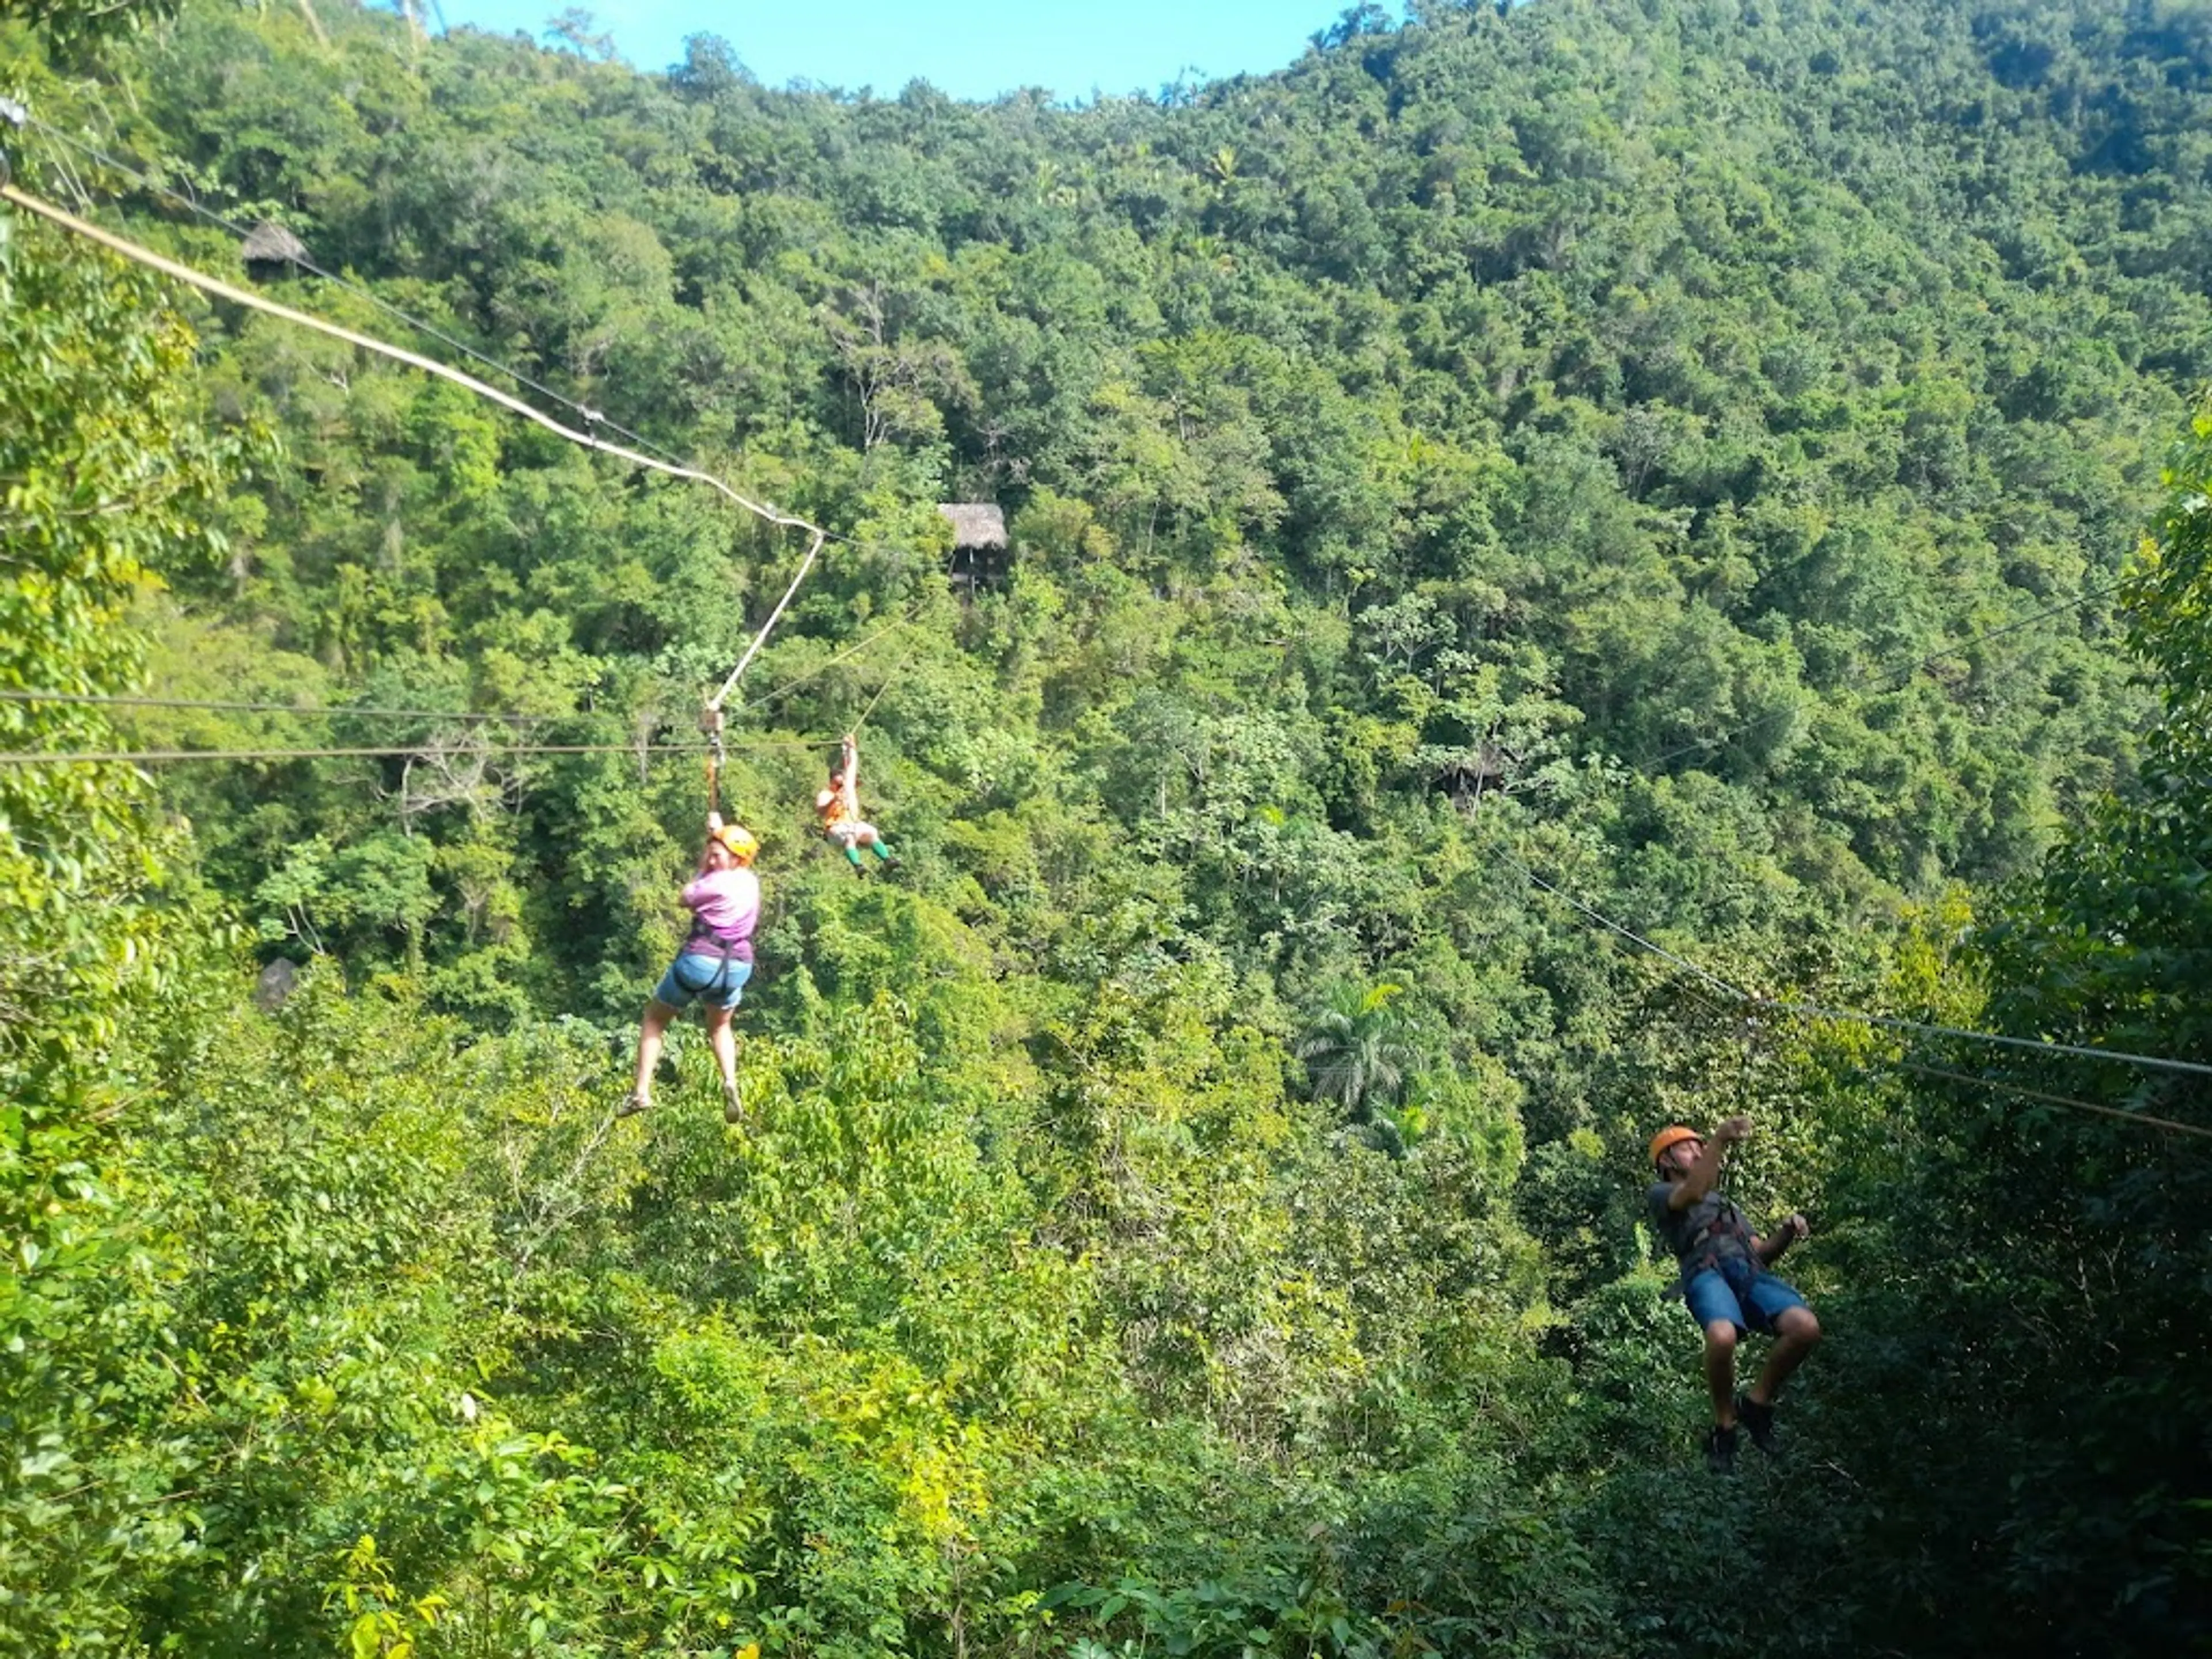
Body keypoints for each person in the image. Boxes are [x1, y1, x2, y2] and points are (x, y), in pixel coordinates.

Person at [1647, 1117, 1821, 1472]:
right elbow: (1693, 1192)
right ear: (1666, 1161)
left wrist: (1787, 1231)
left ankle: (1756, 1406)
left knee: (1805, 1328)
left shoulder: (1727, 1206)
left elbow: (1761, 1251)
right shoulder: (1662, 1193)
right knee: (1722, 1335)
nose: (1697, 1151)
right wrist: (1719, 1140)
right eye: (1688, 1147)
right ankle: (1725, 1426)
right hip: (1706, 1270)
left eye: (1700, 1146)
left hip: (1746, 1270)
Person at [621, 813, 759, 1124]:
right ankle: (730, 1080)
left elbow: (685, 898)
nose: (710, 860)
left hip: (700, 961)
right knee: (721, 1026)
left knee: (655, 1019)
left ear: (735, 859)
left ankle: (641, 1091)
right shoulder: (750, 880)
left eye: (716, 856)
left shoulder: (712, 883)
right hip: (737, 966)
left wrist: (704, 864)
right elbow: (730, 863)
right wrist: (718, 835)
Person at [816, 732, 896, 874]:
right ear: (832, 781)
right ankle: (858, 866)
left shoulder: (849, 789)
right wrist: (834, 801)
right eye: (838, 779)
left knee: (872, 832)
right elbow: (821, 811)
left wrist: (850, 748)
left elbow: (852, 765)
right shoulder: (825, 794)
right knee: (850, 838)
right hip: (835, 828)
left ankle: (887, 860)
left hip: (853, 823)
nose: (842, 782)